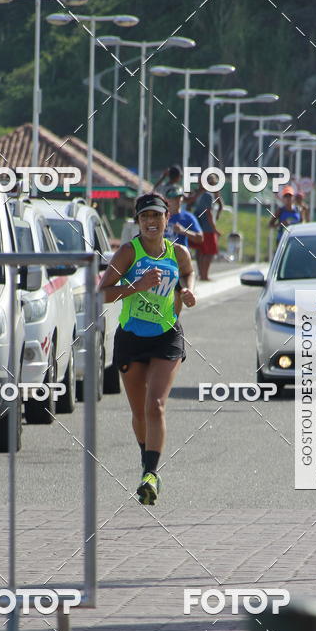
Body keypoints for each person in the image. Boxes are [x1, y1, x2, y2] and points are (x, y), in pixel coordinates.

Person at [98, 192, 196, 505]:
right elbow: (100, 294)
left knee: (156, 405)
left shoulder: (178, 253)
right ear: (138, 222)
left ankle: (150, 474)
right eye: (145, 217)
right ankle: (147, 464)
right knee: (140, 412)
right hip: (131, 338)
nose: (151, 222)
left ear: (168, 219)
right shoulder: (129, 252)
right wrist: (135, 287)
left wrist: (189, 291)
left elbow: (187, 275)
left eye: (157, 216)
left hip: (166, 336)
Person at [192, 177, 220, 280]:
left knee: (201, 252)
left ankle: (201, 274)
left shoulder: (200, 195)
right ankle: (204, 275)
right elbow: (208, 213)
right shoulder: (208, 195)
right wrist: (214, 229)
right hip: (207, 228)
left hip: (200, 226)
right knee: (209, 253)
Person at [164, 185, 203, 249]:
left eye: (179, 197)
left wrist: (183, 231)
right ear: (167, 199)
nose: (177, 200)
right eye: (173, 198)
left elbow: (200, 238)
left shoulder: (188, 217)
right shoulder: (160, 216)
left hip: (180, 256)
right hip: (163, 255)